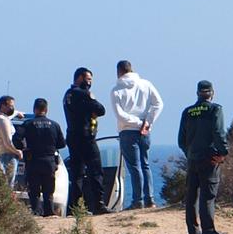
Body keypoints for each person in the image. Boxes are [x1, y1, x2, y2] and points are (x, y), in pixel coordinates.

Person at [177, 80, 229, 234]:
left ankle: (193, 231)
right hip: (210, 158)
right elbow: (218, 133)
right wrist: (223, 153)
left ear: (197, 93)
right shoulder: (215, 109)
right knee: (208, 195)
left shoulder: (188, 111)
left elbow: (181, 140)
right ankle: (208, 230)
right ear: (212, 93)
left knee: (192, 195)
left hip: (193, 158)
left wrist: (190, 153)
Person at [109, 60, 164, 209]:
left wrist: (136, 122)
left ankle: (137, 200)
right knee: (145, 164)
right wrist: (147, 121)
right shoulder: (146, 84)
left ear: (119, 71)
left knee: (134, 166)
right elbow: (158, 104)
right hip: (145, 130)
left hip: (127, 130)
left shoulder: (116, 90)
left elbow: (120, 115)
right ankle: (150, 199)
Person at [62, 68, 108, 215]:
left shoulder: (67, 95)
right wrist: (92, 98)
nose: (89, 83)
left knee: (77, 174)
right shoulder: (82, 94)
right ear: (80, 78)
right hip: (86, 137)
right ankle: (99, 205)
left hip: (72, 136)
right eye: (88, 79)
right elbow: (101, 109)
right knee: (95, 171)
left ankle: (75, 208)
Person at [12, 99, 66, 218]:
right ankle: (49, 212)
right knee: (49, 190)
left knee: (34, 189)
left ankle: (36, 212)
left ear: (34, 109)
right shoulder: (55, 125)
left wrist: (23, 148)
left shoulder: (28, 124)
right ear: (46, 110)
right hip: (49, 160)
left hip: (33, 160)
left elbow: (16, 140)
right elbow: (62, 144)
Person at [0, 95, 21, 184]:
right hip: (9, 155)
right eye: (11, 106)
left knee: (3, 184)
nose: (12, 108)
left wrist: (17, 113)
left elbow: (8, 117)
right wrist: (18, 152)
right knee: (9, 185)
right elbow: (7, 143)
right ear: (3, 106)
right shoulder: (4, 121)